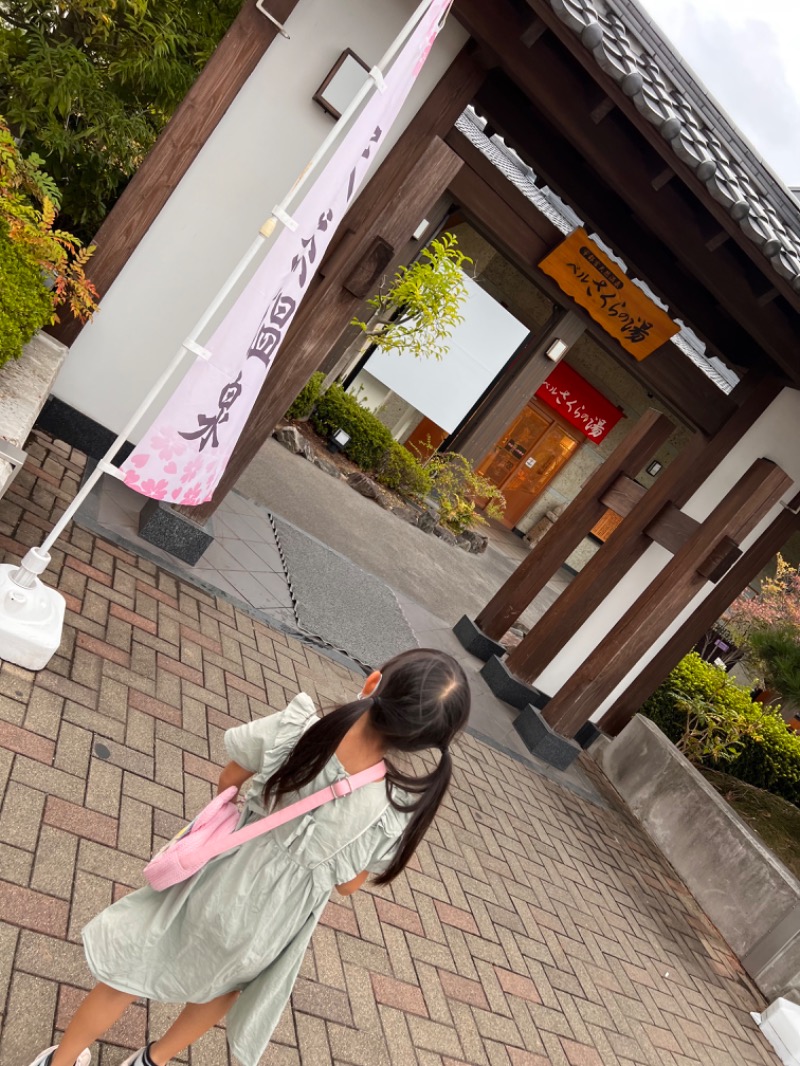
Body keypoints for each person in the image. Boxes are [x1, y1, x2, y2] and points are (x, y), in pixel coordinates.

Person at [28, 647, 470, 1066]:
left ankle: (61, 1060)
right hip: (272, 922)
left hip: (216, 875)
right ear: (417, 744)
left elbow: (229, 780)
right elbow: (346, 884)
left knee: (131, 967)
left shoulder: (297, 727)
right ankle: (152, 1060)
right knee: (221, 990)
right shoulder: (393, 812)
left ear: (373, 681)